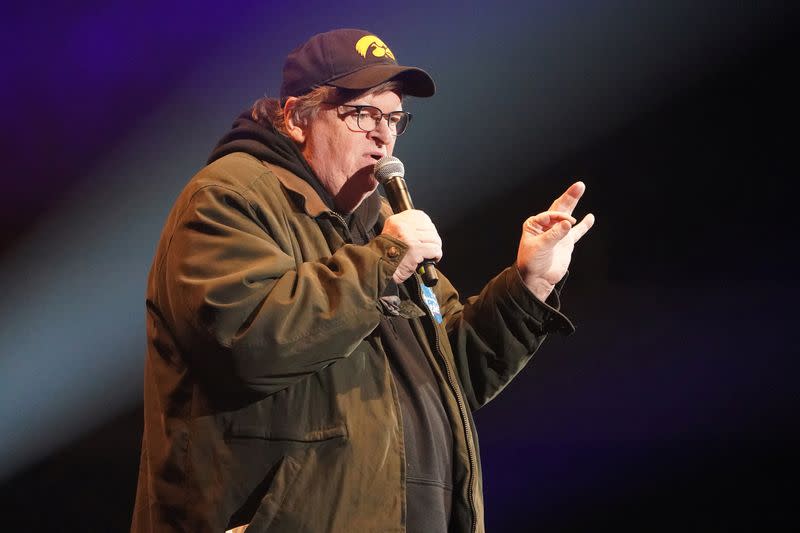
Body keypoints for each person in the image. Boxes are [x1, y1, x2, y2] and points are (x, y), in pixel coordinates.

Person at [131, 28, 594, 533]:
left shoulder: (375, 224)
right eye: (362, 114)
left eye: (394, 118)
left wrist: (528, 287)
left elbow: (448, 371)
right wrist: (385, 260)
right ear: (296, 118)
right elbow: (248, 342)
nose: (383, 134)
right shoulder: (230, 197)